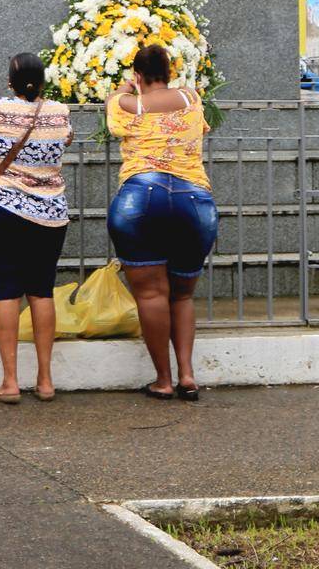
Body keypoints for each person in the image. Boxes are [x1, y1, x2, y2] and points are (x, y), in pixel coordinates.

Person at [106, 43, 218, 402]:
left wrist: (123, 90)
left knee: (152, 292)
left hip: (142, 197)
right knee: (182, 294)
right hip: (194, 200)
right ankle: (188, 375)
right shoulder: (191, 99)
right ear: (170, 74)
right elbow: (201, 128)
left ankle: (163, 380)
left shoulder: (124, 106)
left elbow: (115, 117)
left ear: (137, 76)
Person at [0, 53, 73, 402]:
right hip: (51, 212)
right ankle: (45, 380)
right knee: (42, 290)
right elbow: (65, 139)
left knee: (7, 291)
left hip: (7, 208)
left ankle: (10, 382)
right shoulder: (59, 111)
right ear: (42, 82)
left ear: (11, 82)